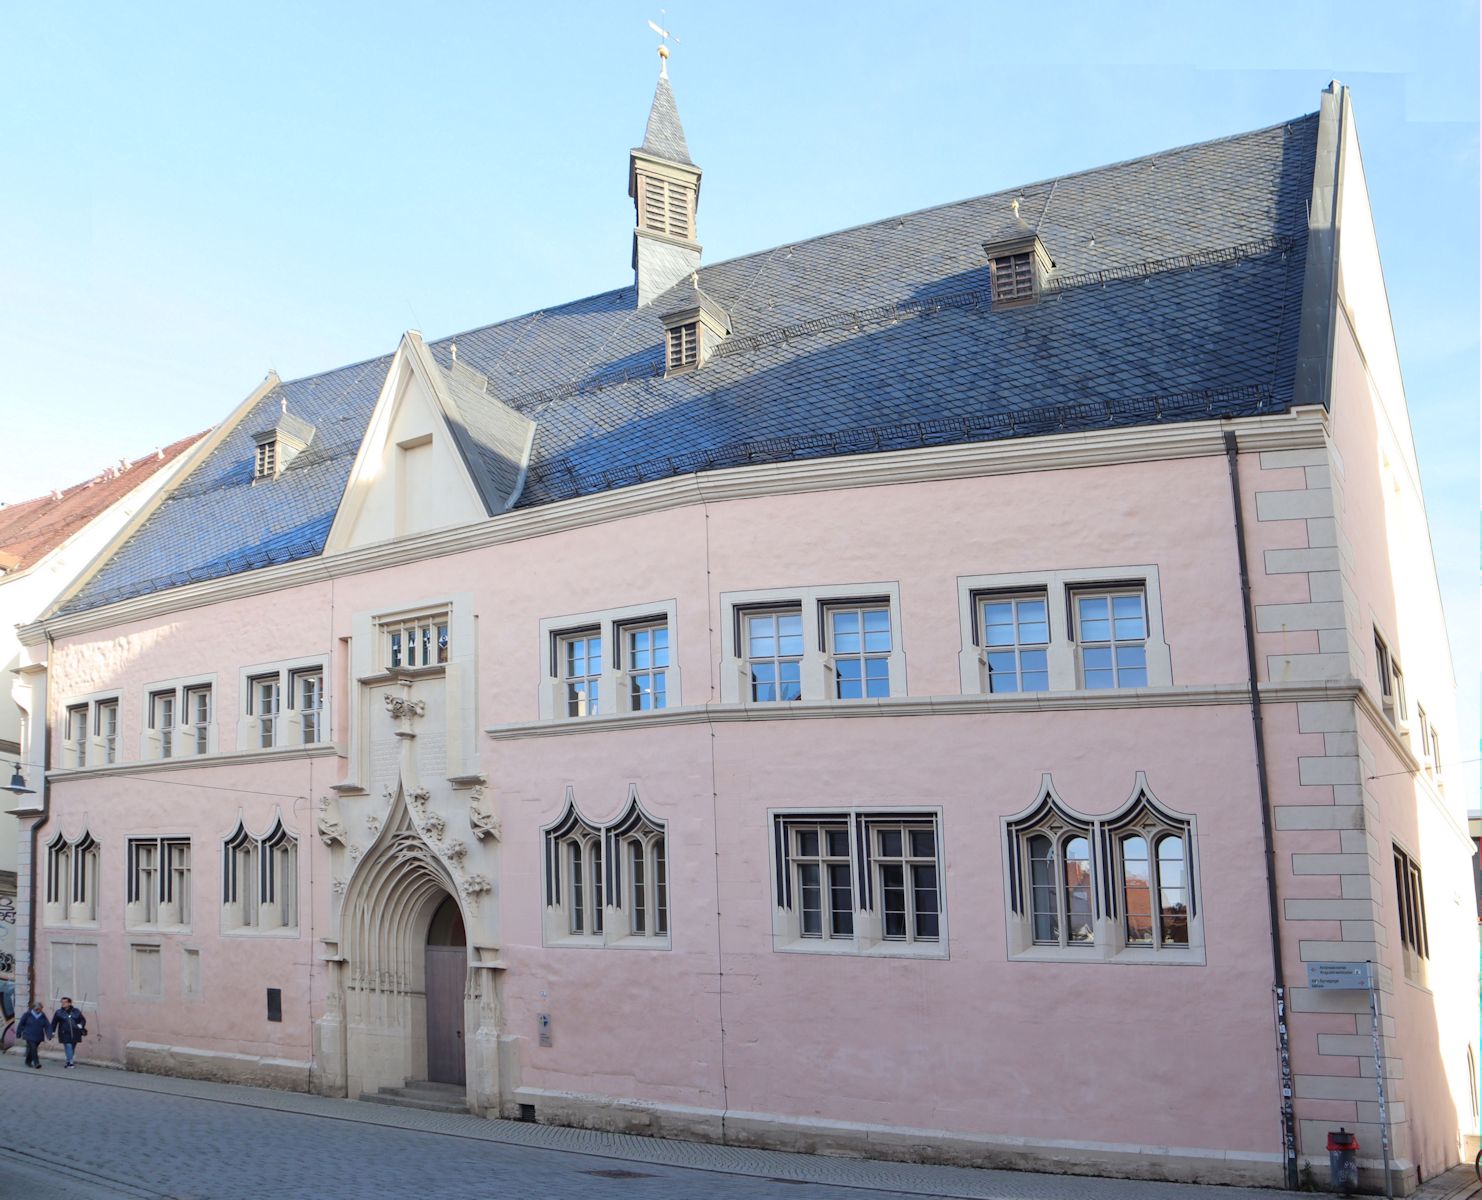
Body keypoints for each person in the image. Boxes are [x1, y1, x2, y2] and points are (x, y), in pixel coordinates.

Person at [51, 996, 87, 1067]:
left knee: (72, 1047)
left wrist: (81, 1025)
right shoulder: (59, 1012)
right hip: (64, 1033)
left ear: (69, 1003)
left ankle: (68, 1060)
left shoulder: (76, 1011)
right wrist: (52, 1031)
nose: (63, 1003)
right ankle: (71, 1062)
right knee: (68, 1046)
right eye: (62, 1002)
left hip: (75, 1032)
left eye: (65, 1002)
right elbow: (54, 1022)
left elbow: (83, 1020)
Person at [17, 1000, 51, 1068]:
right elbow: (21, 1024)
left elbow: (47, 1025)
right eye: (37, 1009)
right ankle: (36, 1063)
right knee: (33, 1048)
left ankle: (28, 1061)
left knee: (32, 1049)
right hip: (28, 1034)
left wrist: (49, 1035)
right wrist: (19, 1033)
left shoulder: (42, 1015)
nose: (39, 1010)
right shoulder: (27, 1014)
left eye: (40, 1009)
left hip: (38, 1036)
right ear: (33, 1008)